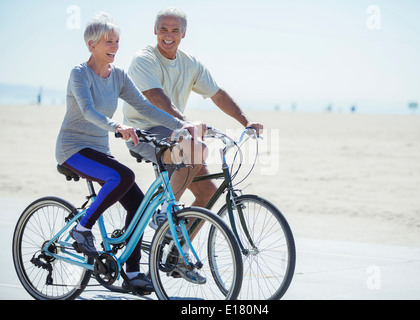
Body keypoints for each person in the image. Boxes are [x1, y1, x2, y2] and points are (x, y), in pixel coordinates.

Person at [55, 12, 198, 293]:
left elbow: (145, 107)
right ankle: (82, 228)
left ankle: (132, 273)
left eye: (117, 41)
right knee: (124, 176)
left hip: (99, 149)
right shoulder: (79, 73)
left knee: (138, 204)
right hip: (73, 148)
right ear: (91, 45)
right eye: (109, 41)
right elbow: (88, 111)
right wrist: (117, 126)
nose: (115, 46)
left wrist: (182, 124)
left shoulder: (118, 76)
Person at [122, 7, 264, 215]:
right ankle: (164, 212)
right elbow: (155, 97)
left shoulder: (190, 63)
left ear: (183, 33)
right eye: (163, 29)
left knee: (208, 193)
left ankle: (176, 247)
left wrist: (246, 122)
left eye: (175, 30)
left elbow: (217, 94)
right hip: (144, 131)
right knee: (195, 148)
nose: (168, 35)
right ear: (155, 30)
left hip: (175, 131)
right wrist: (184, 122)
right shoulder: (144, 59)